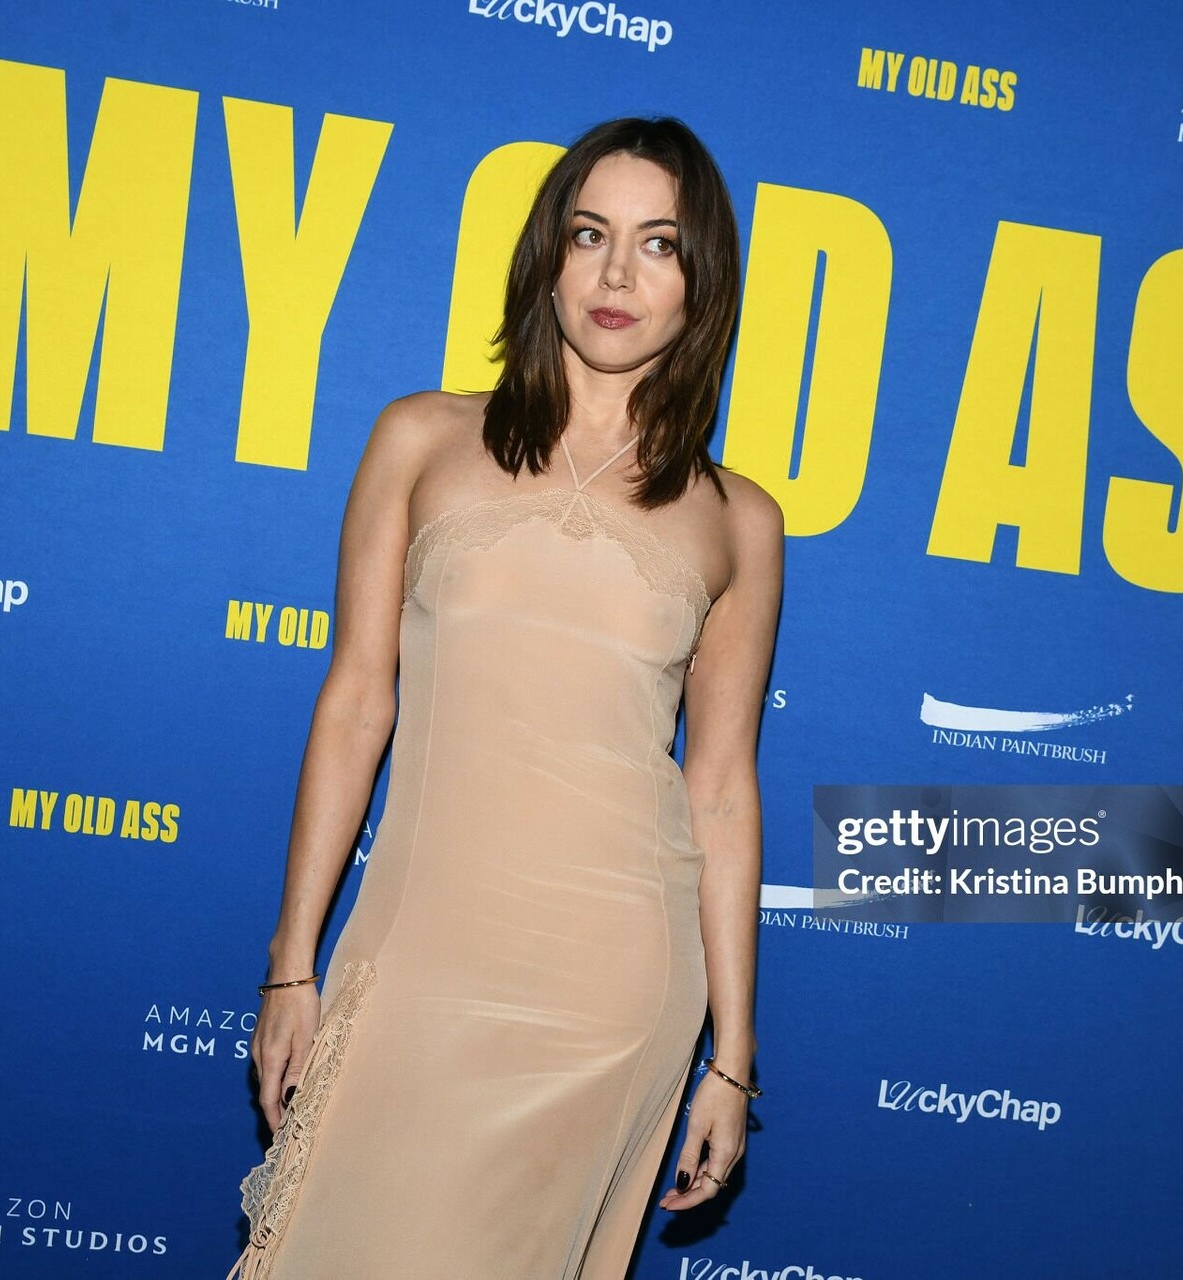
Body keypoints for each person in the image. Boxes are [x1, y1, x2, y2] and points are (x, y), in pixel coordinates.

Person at [225, 116, 783, 1280]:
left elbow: (722, 789)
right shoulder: (422, 437)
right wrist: (292, 959)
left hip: (612, 991)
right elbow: (357, 701)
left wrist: (730, 1053)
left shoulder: (738, 518)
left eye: (659, 244)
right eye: (590, 235)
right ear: (548, 258)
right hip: (417, 961)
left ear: (703, 283)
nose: (617, 273)